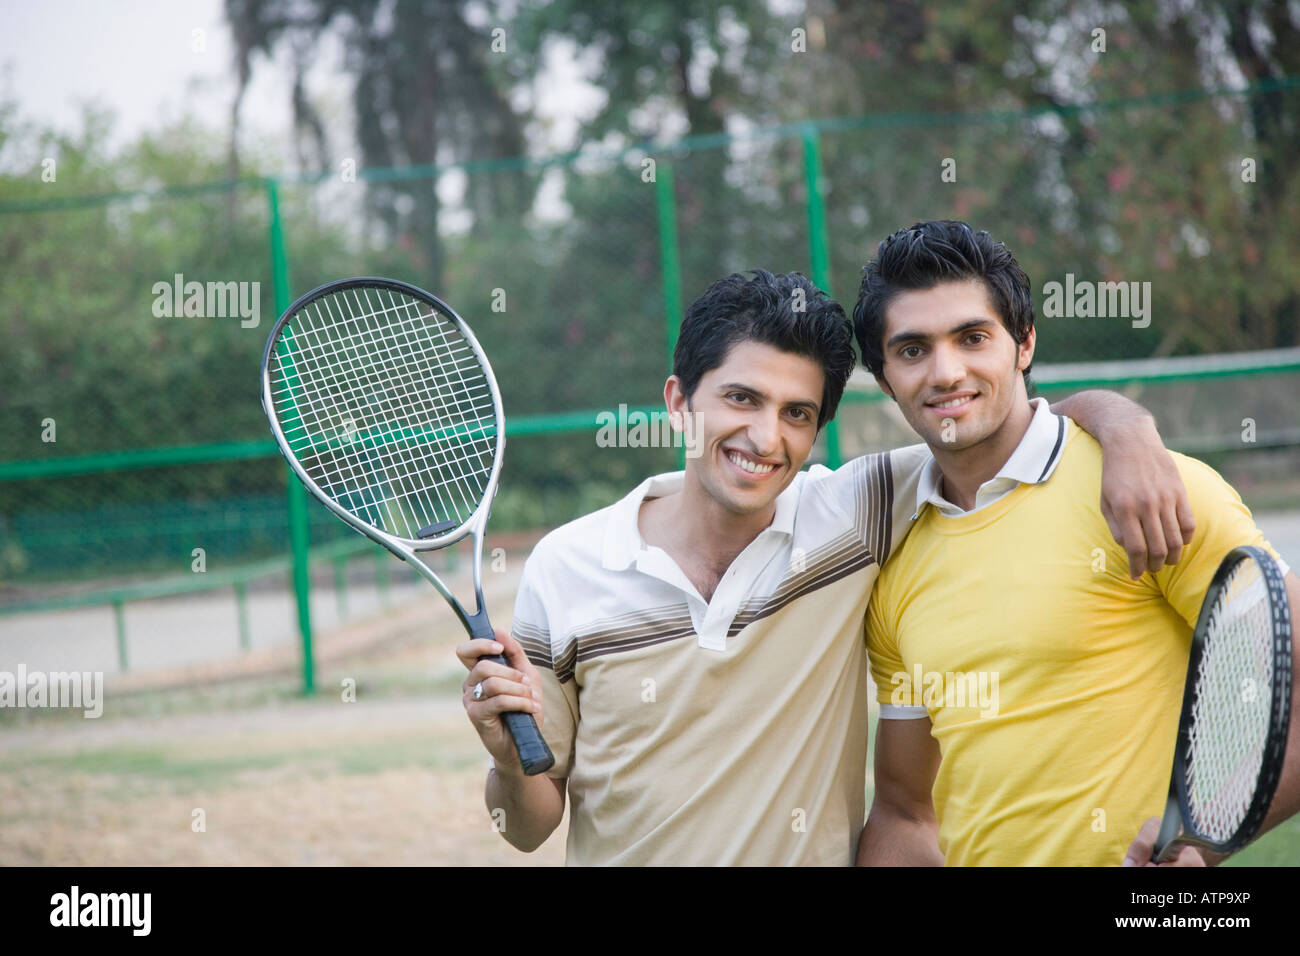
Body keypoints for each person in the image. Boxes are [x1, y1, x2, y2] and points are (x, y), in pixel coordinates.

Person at [457, 268, 1193, 865]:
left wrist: (1124, 426)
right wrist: (502, 759)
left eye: (797, 413)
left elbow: (1000, 418)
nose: (764, 436)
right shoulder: (567, 565)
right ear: (680, 402)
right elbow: (525, 825)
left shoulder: (854, 512)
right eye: (741, 398)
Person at [853, 220, 1300, 867]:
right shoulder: (895, 559)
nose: (947, 372)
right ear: (886, 375)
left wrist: (1199, 843)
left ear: (1023, 343)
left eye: (973, 338)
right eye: (913, 350)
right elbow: (904, 810)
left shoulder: (1148, 492)